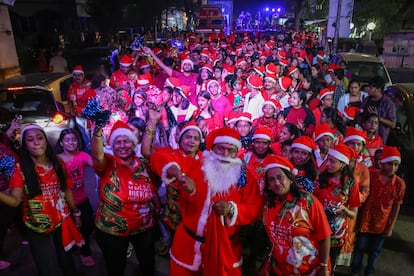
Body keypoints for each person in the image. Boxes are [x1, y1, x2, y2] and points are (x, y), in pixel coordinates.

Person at [150, 127, 263, 276]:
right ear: (212, 149)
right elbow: (158, 157)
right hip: (188, 246)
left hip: (224, 247)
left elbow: (255, 208)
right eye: (220, 149)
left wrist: (231, 209)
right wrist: (180, 175)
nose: (225, 154)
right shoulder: (197, 166)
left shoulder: (244, 177)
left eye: (231, 150)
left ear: (237, 153)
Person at [1, 124, 83, 276]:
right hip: (36, 226)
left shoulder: (58, 163)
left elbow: (66, 190)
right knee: (46, 268)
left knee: (67, 263)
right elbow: (14, 201)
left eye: (39, 138)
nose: (36, 142)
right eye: (30, 140)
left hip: (61, 220)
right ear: (25, 145)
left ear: (46, 141)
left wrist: (76, 213)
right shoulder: (20, 169)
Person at [91, 120, 159, 276]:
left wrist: (157, 206)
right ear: (112, 146)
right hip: (112, 231)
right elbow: (96, 154)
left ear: (134, 143)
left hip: (144, 228)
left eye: (126, 141)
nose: (122, 145)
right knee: (116, 268)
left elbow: (153, 188)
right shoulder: (107, 163)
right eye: (117, 142)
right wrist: (98, 129)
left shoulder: (145, 165)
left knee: (148, 266)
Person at [263, 155, 331, 275]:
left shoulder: (307, 201)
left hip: (310, 270)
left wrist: (323, 266)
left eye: (280, 177)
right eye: (271, 179)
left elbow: (325, 236)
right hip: (281, 270)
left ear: (290, 178)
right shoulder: (269, 204)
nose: (276, 183)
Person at [351, 146, 406, 276]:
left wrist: (390, 227)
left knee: (375, 251)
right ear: (382, 163)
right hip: (365, 221)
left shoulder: (400, 184)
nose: (392, 167)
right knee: (359, 249)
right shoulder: (371, 176)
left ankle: (369, 272)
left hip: (382, 224)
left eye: (395, 164)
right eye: (389, 164)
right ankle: (355, 272)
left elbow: (396, 206)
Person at [314, 143, 361, 267]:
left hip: (336, 235)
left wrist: (345, 210)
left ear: (343, 164)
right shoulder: (321, 180)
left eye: (332, 161)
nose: (328, 164)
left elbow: (353, 214)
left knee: (329, 266)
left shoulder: (351, 185)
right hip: (317, 230)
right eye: (328, 160)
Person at [56, 128, 95, 267]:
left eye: (73, 139)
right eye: (67, 140)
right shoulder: (57, 159)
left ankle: (81, 246)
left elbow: (96, 165)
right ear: (61, 143)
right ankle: (84, 252)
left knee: (89, 225)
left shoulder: (82, 155)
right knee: (70, 228)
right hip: (65, 202)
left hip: (82, 198)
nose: (71, 142)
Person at [0, 118, 20, 270]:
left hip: (11, 186)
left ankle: (23, 232)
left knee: (13, 212)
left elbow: (4, 141)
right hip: (3, 191)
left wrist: (12, 128)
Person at [359, 76, 396, 143]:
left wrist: (377, 117)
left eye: (371, 88)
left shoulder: (388, 103)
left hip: (378, 139)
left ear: (378, 90)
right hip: (363, 137)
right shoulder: (366, 99)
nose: (368, 89)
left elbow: (393, 124)